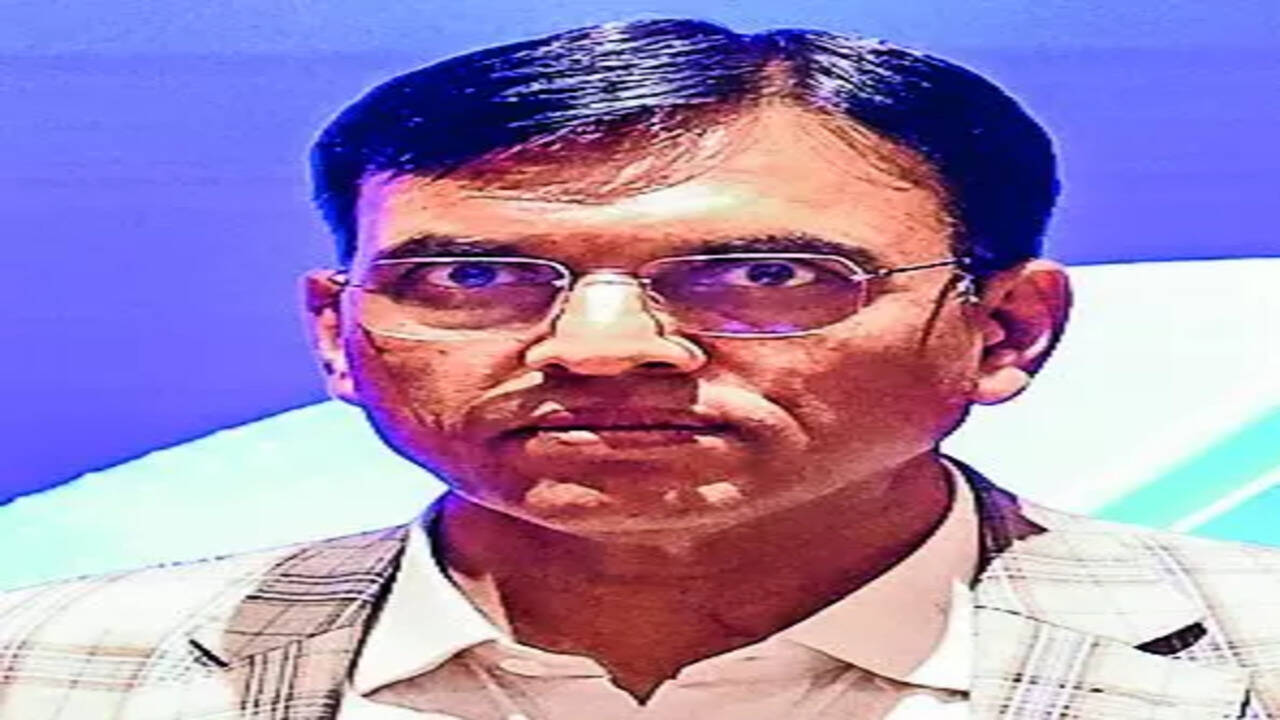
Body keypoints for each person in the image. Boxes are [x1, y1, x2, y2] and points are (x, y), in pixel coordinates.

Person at [2, 17, 1278, 720]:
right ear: (338, 335)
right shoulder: (46, 670)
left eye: (764, 275)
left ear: (1004, 331)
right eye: (473, 280)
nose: (601, 349)